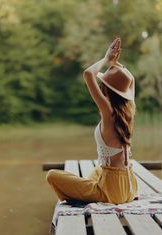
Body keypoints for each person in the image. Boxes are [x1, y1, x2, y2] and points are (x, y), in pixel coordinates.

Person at [45, 36, 138, 204]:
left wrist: (106, 59)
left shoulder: (108, 112)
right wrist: (116, 64)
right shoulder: (129, 110)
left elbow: (88, 74)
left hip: (111, 192)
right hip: (129, 187)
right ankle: (91, 188)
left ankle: (91, 193)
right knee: (97, 170)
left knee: (52, 176)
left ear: (105, 88)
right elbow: (131, 81)